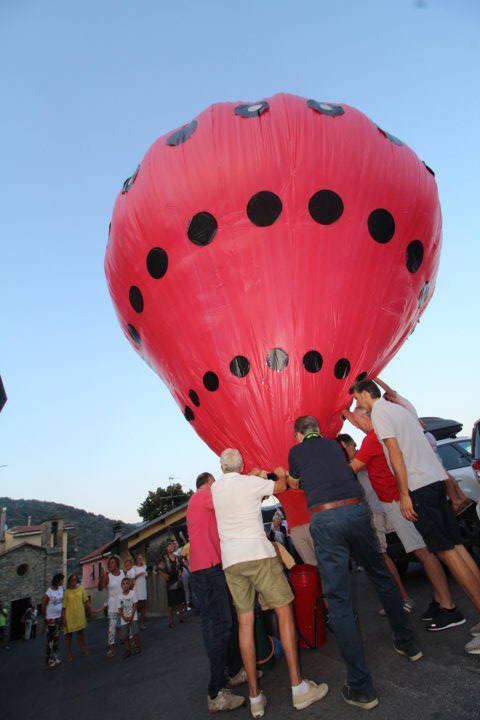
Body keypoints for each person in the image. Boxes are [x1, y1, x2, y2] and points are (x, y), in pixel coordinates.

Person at [282, 416, 421, 711]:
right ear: (317, 430)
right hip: (357, 511)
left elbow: (294, 482)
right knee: (380, 575)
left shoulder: (296, 452)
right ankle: (408, 643)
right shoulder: (334, 446)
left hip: (325, 516)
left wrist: (286, 475)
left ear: (298, 435)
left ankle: (361, 687)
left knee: (339, 599)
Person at [353, 378, 480, 655]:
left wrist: (405, 494)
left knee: (447, 552)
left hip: (419, 487)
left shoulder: (382, 413)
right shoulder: (400, 409)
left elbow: (395, 454)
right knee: (456, 547)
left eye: (357, 399)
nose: (357, 405)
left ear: (365, 394)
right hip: (433, 482)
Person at [212, 448, 328, 718]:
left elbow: (245, 490)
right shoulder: (250, 483)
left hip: (232, 561)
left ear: (221, 468)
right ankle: (298, 688)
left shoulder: (216, 490)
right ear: (241, 465)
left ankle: (255, 697)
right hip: (258, 555)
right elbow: (278, 485)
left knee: (245, 622)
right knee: (284, 611)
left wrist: (254, 477)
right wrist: (273, 471)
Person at [343, 410, 465, 630]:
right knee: (426, 550)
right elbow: (356, 420)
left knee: (424, 552)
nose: (355, 422)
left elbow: (350, 469)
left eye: (358, 417)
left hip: (395, 501)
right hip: (395, 500)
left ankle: (449, 607)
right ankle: (439, 600)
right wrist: (343, 410)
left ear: (368, 418)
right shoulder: (377, 435)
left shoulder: (372, 439)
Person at [187, 471, 246, 713]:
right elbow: (229, 499)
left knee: (223, 622)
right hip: (208, 571)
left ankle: (233, 671)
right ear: (209, 482)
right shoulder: (203, 496)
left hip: (205, 571)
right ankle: (216, 691)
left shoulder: (198, 502)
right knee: (220, 627)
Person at [336, 433, 414, 614]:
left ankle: (402, 599)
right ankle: (399, 600)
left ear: (349, 445)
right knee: (382, 557)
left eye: (342, 449)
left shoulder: (362, 458)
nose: (341, 453)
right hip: (375, 511)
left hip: (380, 510)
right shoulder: (357, 461)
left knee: (385, 556)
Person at [374, 376, 471, 513]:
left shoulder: (400, 404)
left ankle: (456, 500)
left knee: (440, 472)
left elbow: (389, 391)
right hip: (424, 436)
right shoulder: (404, 407)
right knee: (440, 470)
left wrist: (376, 379)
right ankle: (460, 497)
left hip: (422, 438)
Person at [273, 484, 317, 566]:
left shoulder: (304, 485)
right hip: (297, 529)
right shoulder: (280, 490)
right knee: (310, 563)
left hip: (311, 524)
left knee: (324, 557)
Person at [98, 555, 124, 656]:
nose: (110, 565)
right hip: (112, 605)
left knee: (126, 624)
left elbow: (127, 585)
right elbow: (100, 588)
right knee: (112, 627)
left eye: (112, 562)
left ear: (117, 563)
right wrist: (102, 577)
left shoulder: (122, 573)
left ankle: (129, 641)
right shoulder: (108, 576)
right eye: (109, 563)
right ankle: (111, 648)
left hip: (123, 603)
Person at [62, 574, 91, 661]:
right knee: (68, 636)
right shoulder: (66, 592)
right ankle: (69, 653)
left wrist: (90, 609)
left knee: (81, 633)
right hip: (69, 616)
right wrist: (64, 619)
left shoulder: (81, 588)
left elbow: (86, 601)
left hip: (79, 615)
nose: (74, 581)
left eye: (75, 579)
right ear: (69, 581)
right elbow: (63, 607)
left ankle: (83, 649)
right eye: (72, 579)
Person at [157, 541, 186, 627]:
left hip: (178, 580)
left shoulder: (177, 557)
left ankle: (181, 617)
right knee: (171, 603)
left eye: (172, 546)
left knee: (180, 600)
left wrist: (181, 571)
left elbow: (181, 565)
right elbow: (158, 569)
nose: (171, 547)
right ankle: (170, 621)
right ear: (166, 549)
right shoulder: (164, 558)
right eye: (169, 546)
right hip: (170, 582)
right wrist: (164, 575)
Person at [42, 573, 64, 668]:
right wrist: (45, 618)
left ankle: (55, 657)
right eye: (62, 580)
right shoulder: (49, 592)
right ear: (58, 581)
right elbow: (43, 605)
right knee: (50, 640)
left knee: (56, 639)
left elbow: (63, 601)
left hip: (58, 617)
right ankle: (49, 660)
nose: (63, 582)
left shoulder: (61, 589)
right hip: (51, 618)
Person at [118, 577, 141, 658]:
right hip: (124, 619)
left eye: (127, 583)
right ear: (121, 586)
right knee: (125, 636)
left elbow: (135, 605)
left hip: (133, 617)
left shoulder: (132, 593)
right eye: (123, 584)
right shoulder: (120, 596)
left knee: (135, 633)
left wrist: (131, 616)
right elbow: (120, 609)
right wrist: (124, 617)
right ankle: (128, 650)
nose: (125, 585)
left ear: (129, 584)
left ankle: (137, 646)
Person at [133, 553, 148, 630]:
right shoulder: (134, 568)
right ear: (136, 560)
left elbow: (146, 577)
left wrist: (144, 574)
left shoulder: (144, 567)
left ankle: (142, 624)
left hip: (143, 588)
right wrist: (139, 574)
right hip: (136, 590)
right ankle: (135, 625)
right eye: (139, 558)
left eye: (141, 558)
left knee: (143, 607)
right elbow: (132, 578)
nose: (140, 560)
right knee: (136, 607)